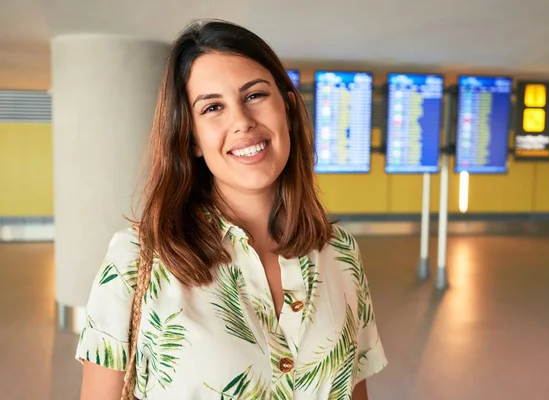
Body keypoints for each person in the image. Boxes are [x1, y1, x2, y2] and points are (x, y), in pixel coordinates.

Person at [76, 19, 387, 400]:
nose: (241, 122)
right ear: (190, 138)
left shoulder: (341, 253)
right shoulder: (135, 260)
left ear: (288, 109)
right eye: (212, 107)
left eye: (254, 95)